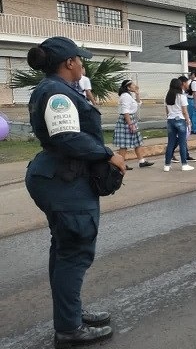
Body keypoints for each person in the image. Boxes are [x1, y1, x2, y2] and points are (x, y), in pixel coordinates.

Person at [24, 36, 124, 347]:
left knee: (65, 250)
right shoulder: (56, 92)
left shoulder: (59, 90)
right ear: (69, 63)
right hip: (63, 181)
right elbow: (67, 137)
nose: (82, 63)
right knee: (74, 251)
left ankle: (72, 314)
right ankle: (68, 330)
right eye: (80, 59)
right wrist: (108, 154)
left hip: (60, 177)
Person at [113, 80, 154, 170]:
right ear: (128, 87)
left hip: (131, 119)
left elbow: (138, 104)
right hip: (127, 120)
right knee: (124, 144)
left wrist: (137, 93)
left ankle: (142, 161)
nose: (135, 85)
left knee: (137, 142)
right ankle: (120, 164)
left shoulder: (129, 95)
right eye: (133, 85)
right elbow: (125, 111)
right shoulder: (125, 96)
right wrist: (130, 124)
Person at [164, 78, 194, 172]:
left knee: (170, 143)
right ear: (179, 86)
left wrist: (170, 117)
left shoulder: (167, 97)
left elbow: (167, 111)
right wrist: (188, 121)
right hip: (180, 119)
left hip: (170, 120)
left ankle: (167, 165)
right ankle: (184, 164)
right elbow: (184, 111)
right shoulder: (181, 96)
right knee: (182, 143)